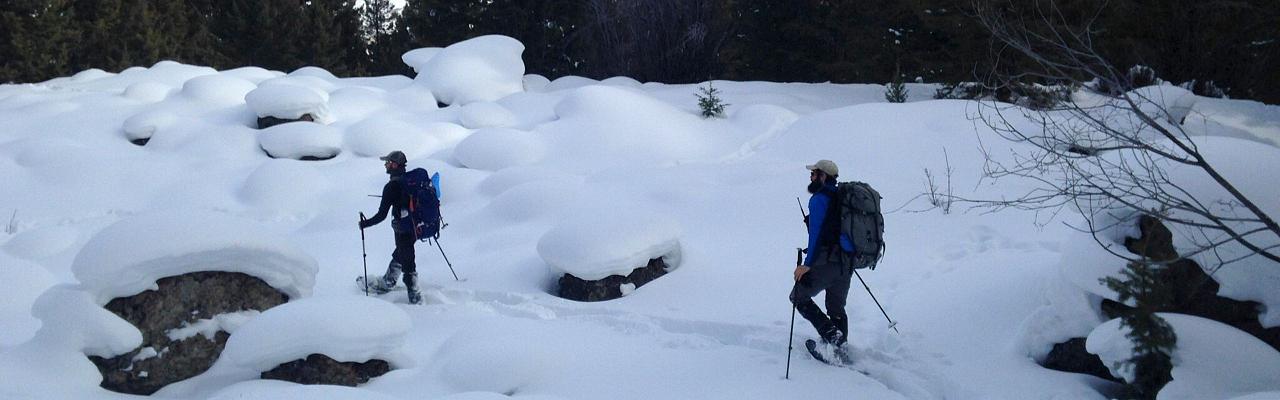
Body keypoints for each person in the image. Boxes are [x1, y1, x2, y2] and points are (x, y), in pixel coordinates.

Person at [791, 159, 851, 348]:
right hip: (847, 263)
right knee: (836, 307)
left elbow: (816, 236)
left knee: (798, 297)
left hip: (827, 262)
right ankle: (840, 347)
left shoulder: (819, 200)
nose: (811, 176)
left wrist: (807, 264)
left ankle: (833, 338)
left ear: (823, 176)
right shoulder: (843, 197)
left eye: (814, 173)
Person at [359, 150, 422, 304]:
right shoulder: (411, 181)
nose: (386, 165)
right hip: (416, 226)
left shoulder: (391, 187)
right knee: (402, 252)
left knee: (408, 260)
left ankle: (414, 296)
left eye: (387, 162)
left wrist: (365, 224)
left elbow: (382, 215)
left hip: (402, 227)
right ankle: (389, 280)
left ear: (394, 165)